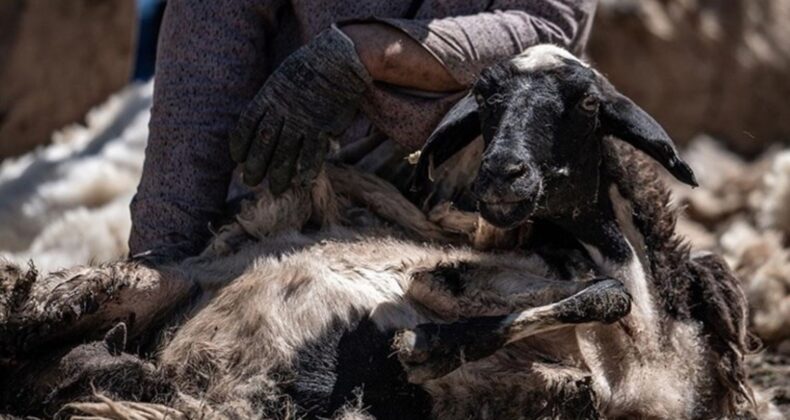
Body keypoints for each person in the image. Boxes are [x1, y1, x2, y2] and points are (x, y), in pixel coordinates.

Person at [130, 0, 598, 262]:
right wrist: (161, 259)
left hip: (495, 214)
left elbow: (546, 27)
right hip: (287, 210)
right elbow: (196, 100)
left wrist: (370, 52)